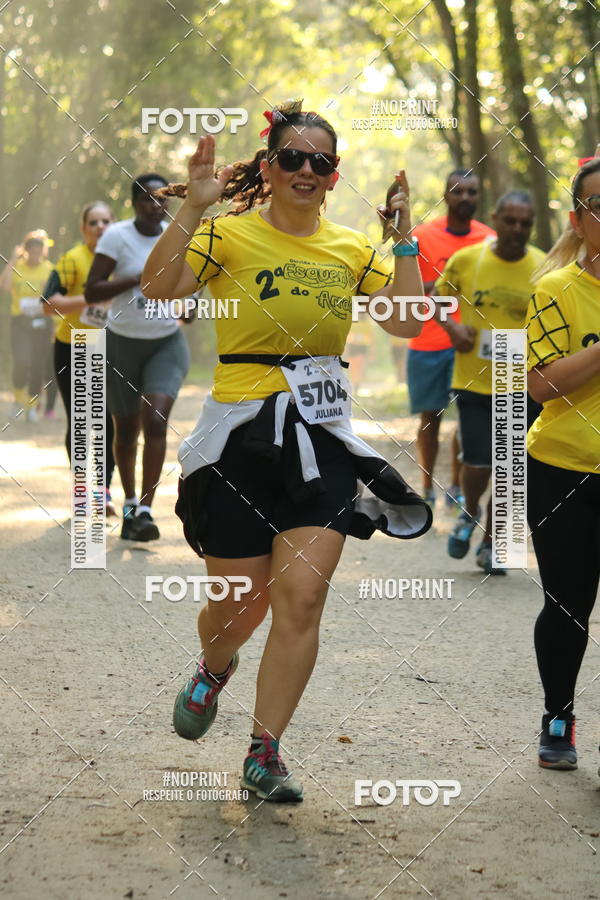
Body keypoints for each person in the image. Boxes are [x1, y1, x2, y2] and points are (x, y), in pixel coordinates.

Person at [143, 102, 432, 802]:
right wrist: (195, 210)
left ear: (334, 177)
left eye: (321, 162)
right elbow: (157, 290)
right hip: (240, 435)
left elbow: (407, 319)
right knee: (241, 608)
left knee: (300, 600)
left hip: (321, 435)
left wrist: (401, 241)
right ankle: (214, 669)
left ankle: (263, 753)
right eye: (293, 158)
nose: (307, 170)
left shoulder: (348, 248)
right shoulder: (229, 236)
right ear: (268, 168)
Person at [526, 158, 600, 770]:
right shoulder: (554, 290)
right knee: (567, 605)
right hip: (564, 472)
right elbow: (542, 385)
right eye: (597, 203)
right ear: (578, 220)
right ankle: (558, 715)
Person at [435, 190, 545, 574]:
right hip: (474, 381)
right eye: (510, 221)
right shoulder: (468, 259)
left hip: (521, 382)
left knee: (512, 468)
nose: (517, 229)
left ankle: (492, 545)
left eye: (525, 224)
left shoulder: (544, 268)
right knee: (479, 462)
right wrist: (451, 327)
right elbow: (437, 299)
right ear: (495, 218)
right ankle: (470, 510)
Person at [85, 174, 190, 541]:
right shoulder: (117, 236)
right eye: (147, 198)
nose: (156, 205)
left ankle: (146, 509)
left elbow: (189, 294)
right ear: (134, 203)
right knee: (126, 430)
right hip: (121, 344)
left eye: (162, 198)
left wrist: (187, 303)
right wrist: (136, 279)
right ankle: (128, 503)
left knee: (156, 421)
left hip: (165, 343)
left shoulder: (177, 235)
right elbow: (92, 289)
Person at [403, 170, 495, 509]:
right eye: (459, 192)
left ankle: (455, 485)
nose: (466, 198)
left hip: (472, 344)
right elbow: (407, 287)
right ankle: (426, 485)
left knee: (466, 417)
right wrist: (445, 287)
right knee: (430, 417)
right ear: (446, 196)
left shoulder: (489, 239)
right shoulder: (423, 236)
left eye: (472, 192)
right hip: (428, 341)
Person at [42, 202, 117, 516]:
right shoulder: (72, 259)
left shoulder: (123, 259)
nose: (100, 227)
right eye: (93, 222)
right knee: (81, 420)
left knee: (110, 421)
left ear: (114, 225)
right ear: (83, 228)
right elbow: (49, 303)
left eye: (105, 222)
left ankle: (104, 492)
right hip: (70, 346)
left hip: (111, 347)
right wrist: (89, 298)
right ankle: (82, 491)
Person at [0, 231, 54, 422]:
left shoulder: (49, 269)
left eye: (39, 251)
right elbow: (4, 285)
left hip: (42, 321)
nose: (35, 254)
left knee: (37, 365)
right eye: (32, 251)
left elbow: (55, 295)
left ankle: (32, 407)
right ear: (26, 251)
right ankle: (17, 401)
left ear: (43, 252)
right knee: (22, 361)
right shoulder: (18, 267)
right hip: (20, 322)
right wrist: (13, 259)